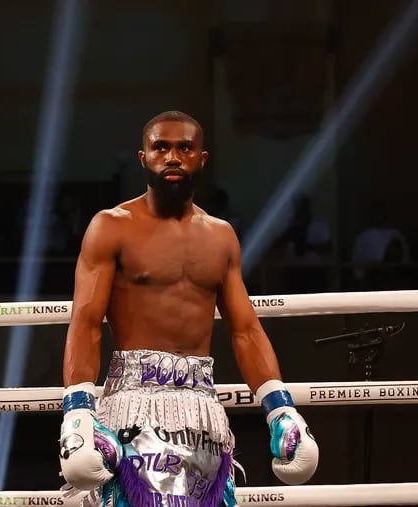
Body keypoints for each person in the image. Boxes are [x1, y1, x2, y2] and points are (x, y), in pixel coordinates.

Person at [57, 111, 319, 507]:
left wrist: (280, 409)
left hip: (201, 411)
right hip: (132, 402)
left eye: (184, 148)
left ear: (201, 158)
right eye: (161, 147)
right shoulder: (111, 226)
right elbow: (86, 322)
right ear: (144, 158)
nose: (173, 157)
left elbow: (245, 329)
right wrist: (77, 410)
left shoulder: (221, 236)